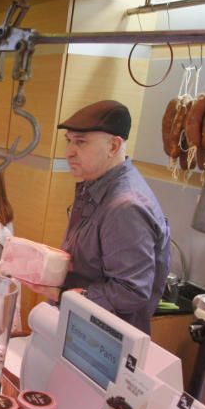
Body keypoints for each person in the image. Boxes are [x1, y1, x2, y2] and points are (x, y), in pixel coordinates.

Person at [52, 100, 170, 334]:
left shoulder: (125, 206)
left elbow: (132, 290)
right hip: (80, 324)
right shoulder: (95, 186)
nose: (69, 152)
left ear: (114, 146)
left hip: (104, 341)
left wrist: (69, 295)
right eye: (69, 141)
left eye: (81, 142)